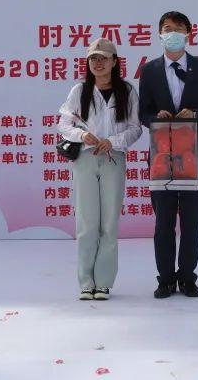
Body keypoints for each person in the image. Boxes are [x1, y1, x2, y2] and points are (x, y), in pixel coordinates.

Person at [138, 11, 198, 298]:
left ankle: (187, 277)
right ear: (159, 34)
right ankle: (165, 279)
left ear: (188, 34)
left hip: (194, 155)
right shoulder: (149, 70)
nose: (172, 33)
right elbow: (143, 113)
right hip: (161, 155)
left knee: (191, 221)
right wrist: (156, 118)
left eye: (178, 28)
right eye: (167, 28)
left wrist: (195, 114)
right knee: (163, 222)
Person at [58, 38, 143, 301]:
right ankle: (86, 282)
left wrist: (113, 141)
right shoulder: (79, 91)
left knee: (109, 223)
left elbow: (136, 128)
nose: (98, 63)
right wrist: (82, 135)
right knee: (86, 223)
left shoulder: (127, 91)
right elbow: (64, 124)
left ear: (114, 62)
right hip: (85, 159)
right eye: (93, 58)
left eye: (103, 58)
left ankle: (103, 283)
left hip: (113, 160)